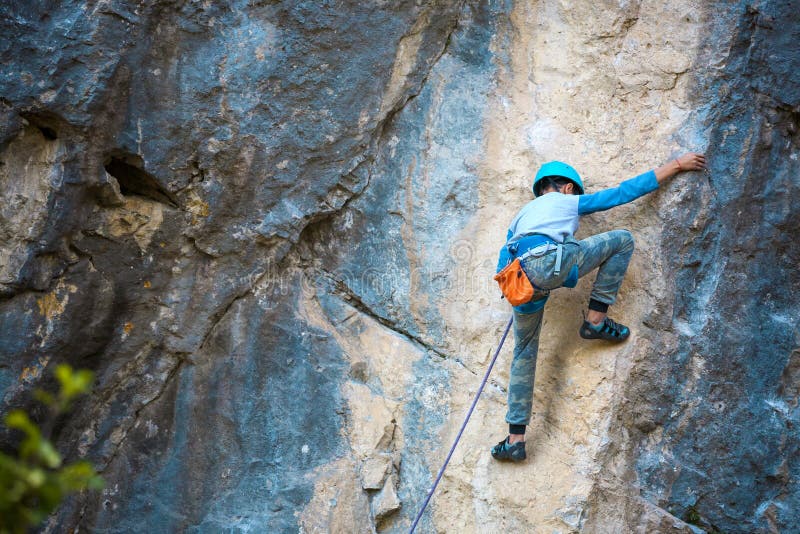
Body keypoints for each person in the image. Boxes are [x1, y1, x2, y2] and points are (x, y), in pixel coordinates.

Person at [491, 154, 707, 462]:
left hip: (517, 281)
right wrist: (676, 165)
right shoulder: (565, 201)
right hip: (548, 263)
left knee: (524, 352)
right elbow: (620, 194)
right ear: (566, 188)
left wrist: (524, 286)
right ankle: (595, 320)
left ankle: (515, 439)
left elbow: (508, 255)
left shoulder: (521, 216)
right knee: (622, 240)